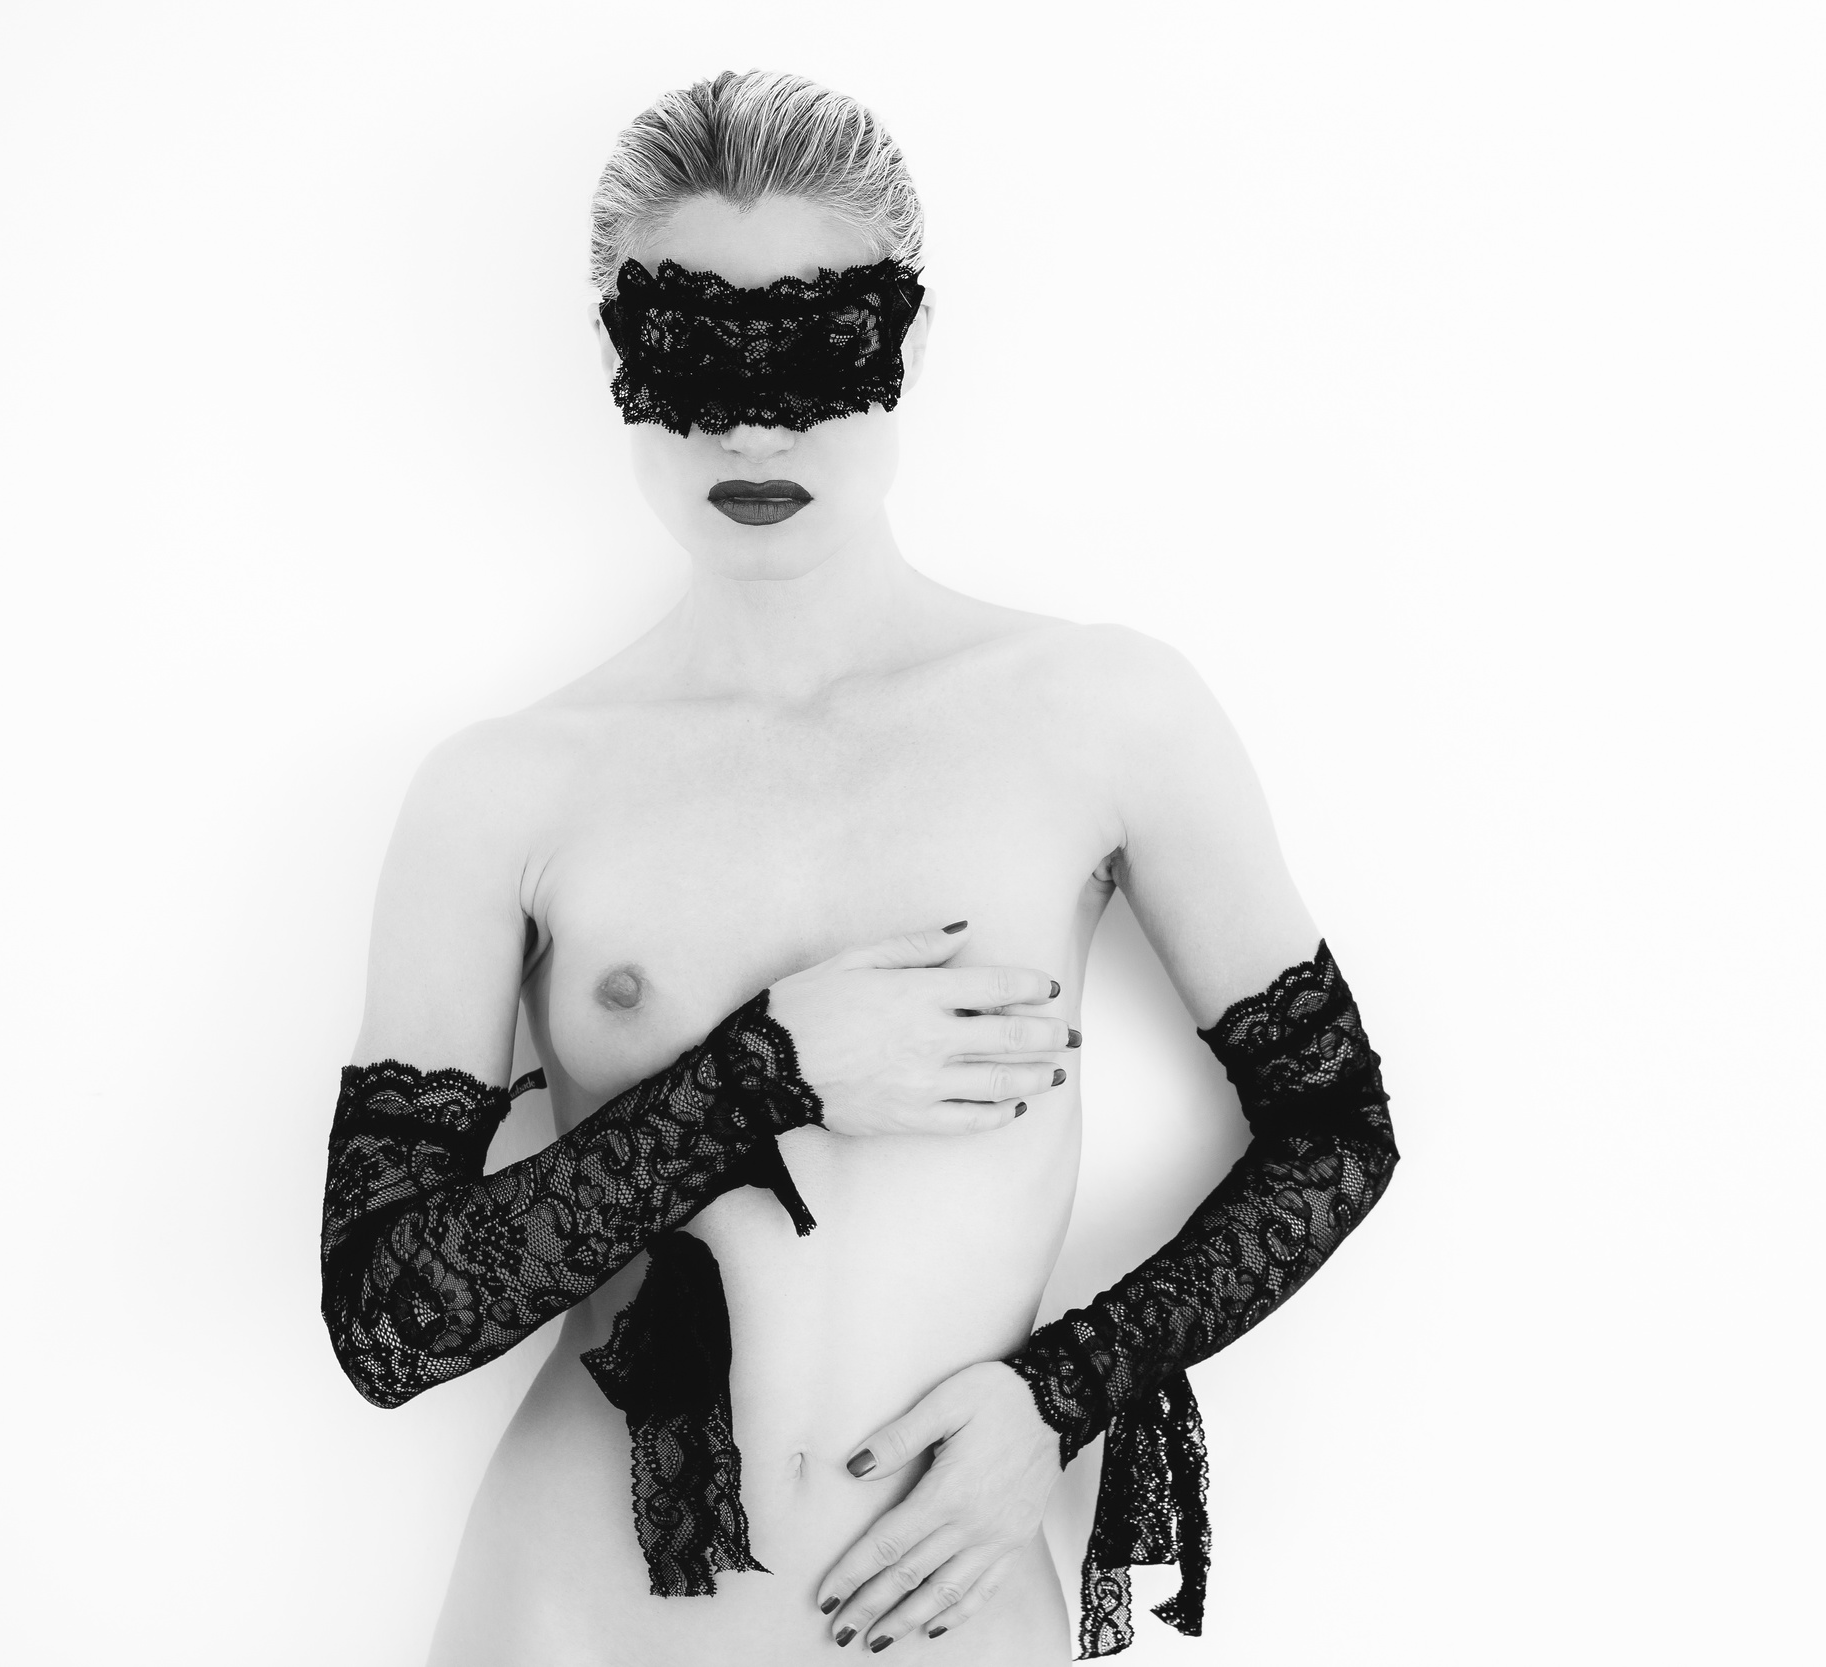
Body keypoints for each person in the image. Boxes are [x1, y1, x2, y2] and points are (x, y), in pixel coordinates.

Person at [319, 70, 1398, 1666]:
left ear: (908, 340)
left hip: (941, 1606)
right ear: (614, 353)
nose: (755, 424)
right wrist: (761, 1076)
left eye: (818, 346)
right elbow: (386, 1320)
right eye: (692, 348)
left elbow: (1337, 1127)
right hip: (573, 1616)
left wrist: (1062, 1392)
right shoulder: (502, 793)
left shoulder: (1100, 713)